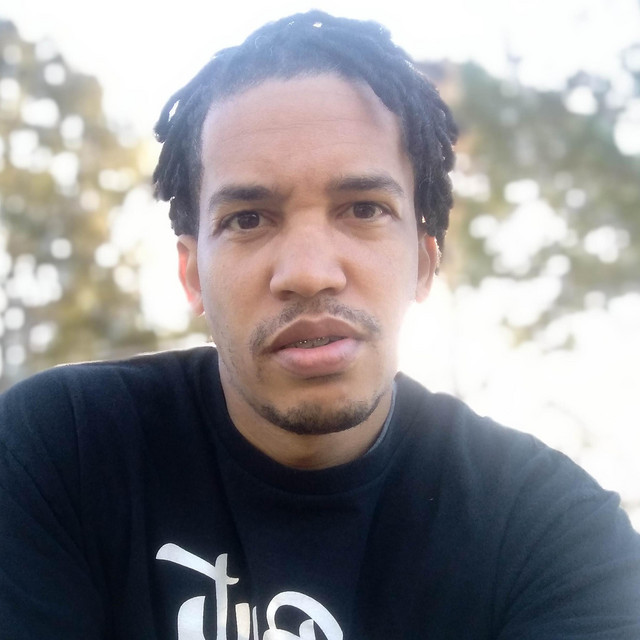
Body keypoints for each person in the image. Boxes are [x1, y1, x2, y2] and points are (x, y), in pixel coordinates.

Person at [1, 10, 639, 640]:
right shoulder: (63, 453)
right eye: (248, 219)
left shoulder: (551, 531)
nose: (308, 274)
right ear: (192, 274)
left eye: (363, 209)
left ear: (424, 262)